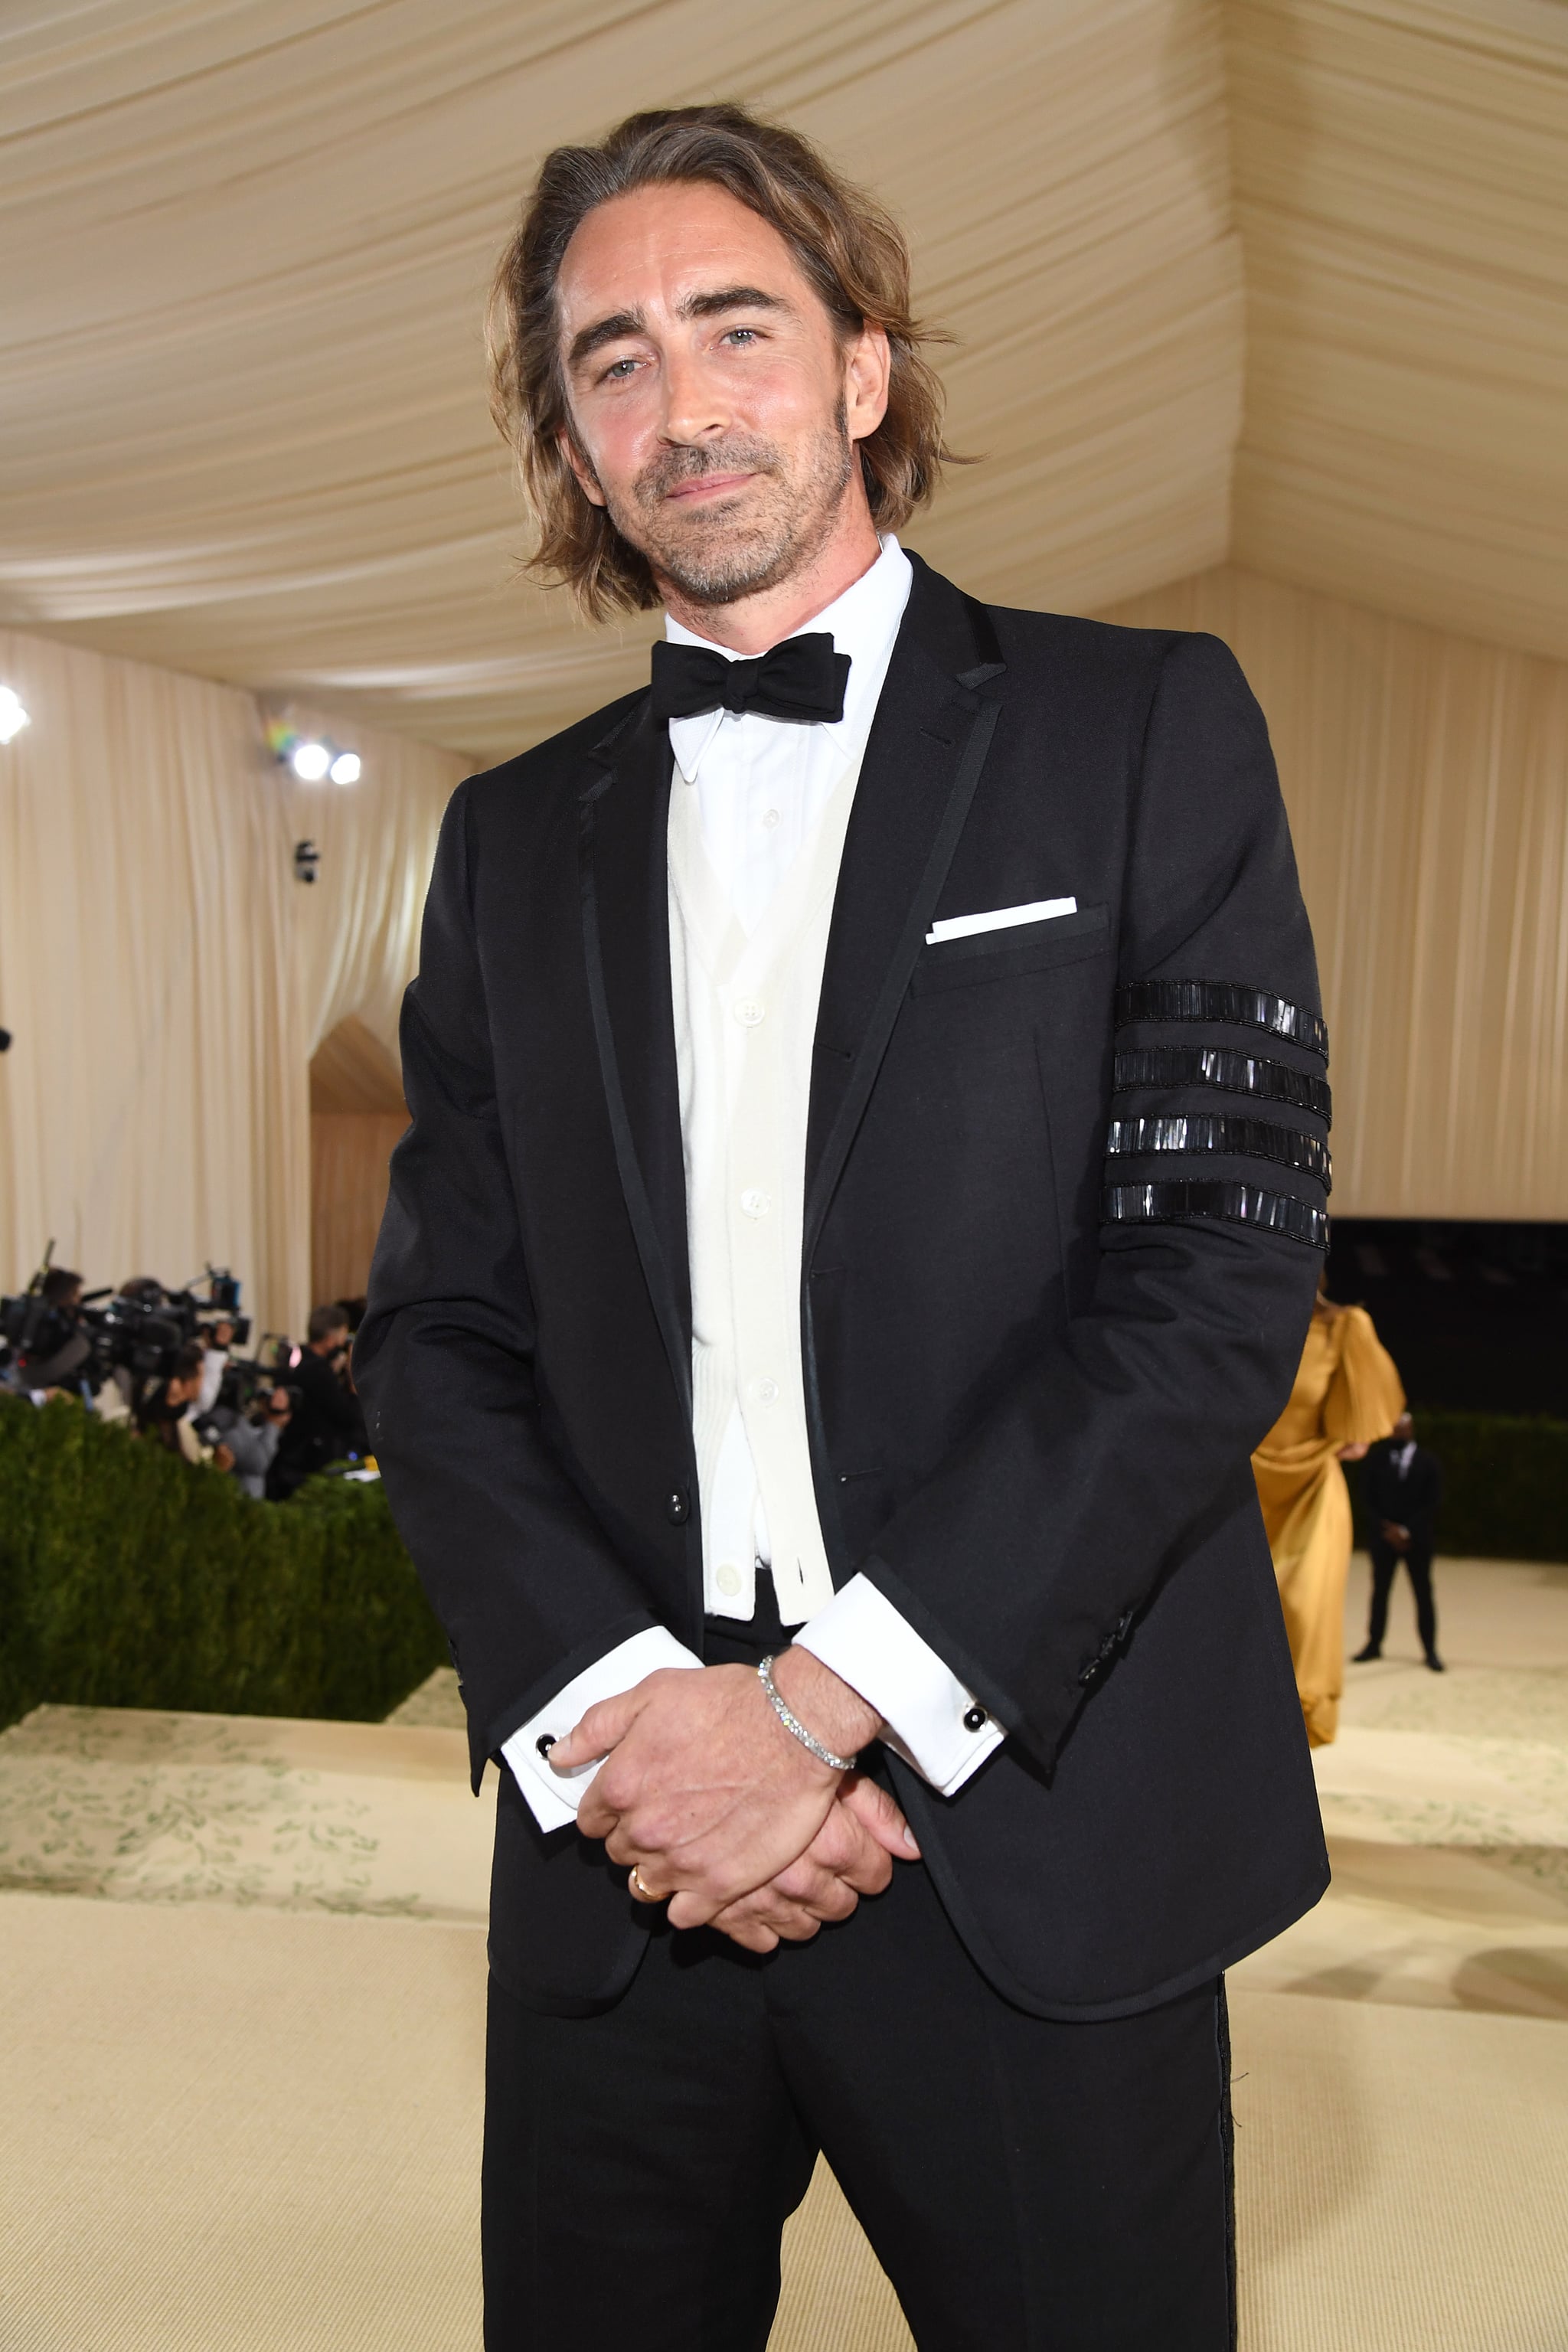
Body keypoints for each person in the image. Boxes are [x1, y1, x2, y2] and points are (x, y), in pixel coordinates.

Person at [356, 103, 1333, 2350]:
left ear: (864, 368)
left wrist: (820, 1706)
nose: (679, 402)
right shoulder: (505, 843)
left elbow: (1208, 1278)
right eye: (606, 359)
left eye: (734, 326)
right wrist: (646, 1725)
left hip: (1027, 1820)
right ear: (573, 446)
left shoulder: (1140, 728)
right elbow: (438, 1334)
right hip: (628, 1841)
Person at [1252, 1281, 1404, 1745]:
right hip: (1236, 1491)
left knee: (1298, 1613)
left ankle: (1283, 1761)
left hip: (1310, 1492)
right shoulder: (1234, 1318)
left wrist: (1345, 1435)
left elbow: (1362, 1430)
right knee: (1236, 1628)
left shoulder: (1344, 1328)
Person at [1354, 1409, 1443, 1669]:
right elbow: (1367, 1498)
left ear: (1411, 1429)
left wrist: (1406, 1530)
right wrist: (1387, 1528)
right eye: (1393, 1427)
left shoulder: (1428, 1462)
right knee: (1380, 1591)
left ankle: (1430, 1650)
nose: (1396, 1431)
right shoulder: (1377, 1459)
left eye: (1401, 1427)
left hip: (1417, 1540)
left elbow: (1434, 1502)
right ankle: (1374, 1644)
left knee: (1423, 1593)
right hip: (1383, 1539)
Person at [269, 1305, 365, 1497]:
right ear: (331, 1339)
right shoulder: (319, 1372)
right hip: (310, 1464)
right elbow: (346, 1416)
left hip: (287, 1455)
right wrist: (353, 1382)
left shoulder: (296, 1360)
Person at [136, 1341, 234, 1472]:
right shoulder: (145, 1403)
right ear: (184, 1382)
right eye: (201, 1376)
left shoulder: (181, 1418)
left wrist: (217, 1456)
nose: (202, 1384)